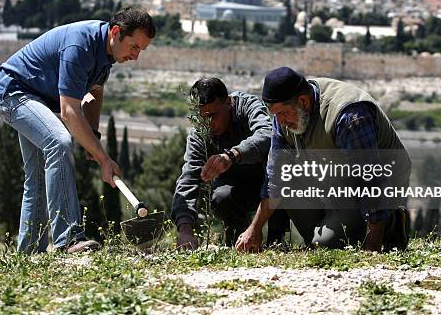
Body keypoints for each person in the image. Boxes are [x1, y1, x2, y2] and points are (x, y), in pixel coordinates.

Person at [0, 8, 156, 253]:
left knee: (36, 179)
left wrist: (92, 136)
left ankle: (28, 255)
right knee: (59, 142)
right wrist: (103, 158)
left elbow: (95, 92)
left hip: (35, 99)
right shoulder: (81, 46)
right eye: (134, 47)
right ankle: (69, 239)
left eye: (141, 50)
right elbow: (69, 111)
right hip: (14, 94)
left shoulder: (105, 54)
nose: (136, 56)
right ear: (115, 33)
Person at [236, 67, 411, 253]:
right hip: (334, 183)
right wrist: (254, 229)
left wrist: (373, 243)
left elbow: (369, 178)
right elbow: (275, 177)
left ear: (303, 101)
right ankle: (332, 231)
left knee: (326, 244)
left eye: (283, 113)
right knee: (313, 232)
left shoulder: (349, 115)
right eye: (275, 115)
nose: (281, 121)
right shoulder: (284, 118)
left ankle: (391, 221)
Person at [172, 77, 288, 249]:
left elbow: (266, 134)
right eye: (202, 117)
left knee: (281, 175)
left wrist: (232, 155)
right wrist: (185, 230)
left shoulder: (247, 106)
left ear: (228, 102)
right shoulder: (200, 135)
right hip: (236, 191)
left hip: (269, 183)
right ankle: (238, 241)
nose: (209, 123)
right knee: (221, 197)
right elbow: (188, 179)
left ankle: (277, 241)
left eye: (213, 115)